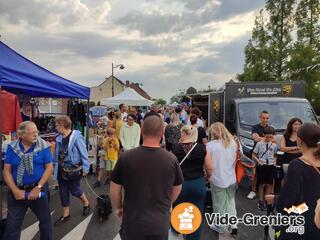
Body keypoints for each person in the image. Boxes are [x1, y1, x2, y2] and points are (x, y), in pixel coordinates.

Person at [110, 115, 184, 240]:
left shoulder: (125, 157)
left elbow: (114, 188)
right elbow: (177, 188)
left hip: (132, 222)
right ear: (162, 133)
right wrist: (167, 203)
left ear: (142, 131)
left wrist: (118, 207)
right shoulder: (171, 159)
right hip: (159, 222)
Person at [3, 121, 54, 240]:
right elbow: (6, 171)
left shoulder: (43, 146)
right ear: (22, 135)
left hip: (38, 190)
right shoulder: (12, 148)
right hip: (17, 191)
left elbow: (49, 168)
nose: (36, 135)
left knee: (45, 221)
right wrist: (15, 190)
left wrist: (38, 187)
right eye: (32, 133)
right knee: (12, 226)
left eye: (37, 131)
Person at [276, 123, 320, 239]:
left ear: (299, 141)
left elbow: (287, 204)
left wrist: (276, 200)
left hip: (302, 225)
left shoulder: (297, 165)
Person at [171, 125, 213, 240]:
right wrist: (207, 178)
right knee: (196, 213)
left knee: (178, 208)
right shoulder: (202, 148)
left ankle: (176, 229)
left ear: (182, 134)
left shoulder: (175, 148)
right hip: (197, 183)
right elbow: (209, 168)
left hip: (179, 184)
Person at [53, 116, 91, 225]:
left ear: (62, 125)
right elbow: (56, 154)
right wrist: (53, 166)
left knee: (75, 190)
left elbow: (84, 153)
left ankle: (86, 202)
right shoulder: (58, 138)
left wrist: (86, 168)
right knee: (63, 191)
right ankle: (66, 214)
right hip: (61, 169)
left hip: (73, 169)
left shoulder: (77, 137)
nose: (55, 127)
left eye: (57, 125)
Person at [206, 122, 238, 235]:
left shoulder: (210, 146)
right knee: (230, 201)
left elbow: (208, 165)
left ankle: (220, 225)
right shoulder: (233, 143)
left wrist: (207, 176)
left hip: (217, 178)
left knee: (219, 203)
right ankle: (233, 224)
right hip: (231, 178)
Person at [252, 126, 277, 211]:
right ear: (263, 135)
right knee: (262, 184)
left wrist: (274, 161)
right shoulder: (259, 144)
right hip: (262, 165)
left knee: (269, 184)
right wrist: (258, 161)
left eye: (270, 137)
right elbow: (254, 154)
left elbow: (275, 155)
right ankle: (260, 201)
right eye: (267, 136)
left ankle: (267, 201)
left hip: (270, 165)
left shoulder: (274, 145)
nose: (268, 138)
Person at [247, 110, 271, 200]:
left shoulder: (271, 128)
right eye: (264, 118)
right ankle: (253, 191)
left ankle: (267, 192)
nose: (265, 120)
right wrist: (267, 138)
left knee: (267, 173)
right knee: (255, 173)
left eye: (267, 118)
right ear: (260, 118)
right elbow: (255, 139)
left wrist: (261, 138)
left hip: (268, 154)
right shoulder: (255, 127)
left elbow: (273, 140)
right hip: (256, 153)